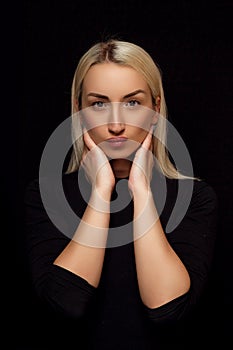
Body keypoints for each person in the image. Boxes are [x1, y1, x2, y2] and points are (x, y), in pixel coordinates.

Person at [24, 39, 218, 349]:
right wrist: (102, 190)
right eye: (99, 103)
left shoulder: (195, 198)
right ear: (79, 111)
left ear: (155, 109)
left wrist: (140, 190)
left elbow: (167, 310)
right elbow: (67, 304)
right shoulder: (46, 196)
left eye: (132, 103)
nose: (116, 125)